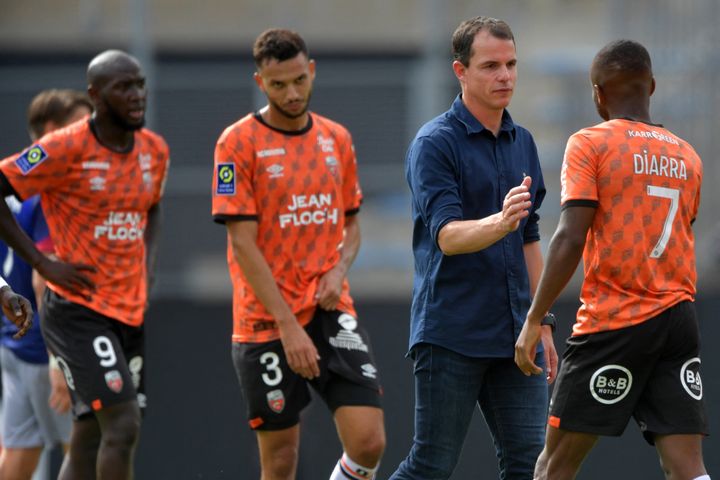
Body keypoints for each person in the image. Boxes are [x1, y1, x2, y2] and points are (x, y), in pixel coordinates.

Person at [514, 39, 709, 480]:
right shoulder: (688, 156)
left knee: (553, 467)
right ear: (652, 86)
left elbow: (570, 236)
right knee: (686, 467)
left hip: (615, 321)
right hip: (678, 319)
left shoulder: (590, 143)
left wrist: (534, 318)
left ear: (598, 94)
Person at [212, 28, 385, 480]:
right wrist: (288, 328)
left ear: (311, 72)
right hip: (267, 323)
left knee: (369, 442)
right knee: (282, 461)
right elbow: (242, 242)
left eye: (298, 81)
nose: (291, 93)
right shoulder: (237, 143)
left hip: (329, 307)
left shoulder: (336, 139)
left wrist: (339, 269)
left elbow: (351, 224)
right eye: (278, 85)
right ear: (260, 83)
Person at [389, 16, 557, 480]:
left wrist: (541, 320)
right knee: (430, 465)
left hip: (515, 337)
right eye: (490, 66)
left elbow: (529, 235)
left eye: (511, 64)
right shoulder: (434, 143)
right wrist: (501, 221)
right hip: (452, 333)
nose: (505, 76)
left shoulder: (522, 141)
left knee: (532, 465)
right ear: (460, 71)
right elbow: (448, 236)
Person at [0, 49, 170, 480]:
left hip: (127, 311)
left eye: (140, 84)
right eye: (123, 87)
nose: (136, 95)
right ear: (95, 95)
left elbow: (152, 208)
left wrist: (146, 266)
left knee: (89, 435)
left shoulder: (154, 150)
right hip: (77, 311)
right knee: (123, 424)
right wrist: (42, 262)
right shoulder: (62, 147)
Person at [0, 88, 92, 480]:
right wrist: (59, 359)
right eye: (83, 125)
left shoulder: (11, 188)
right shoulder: (46, 191)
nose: (91, 136)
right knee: (84, 450)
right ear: (54, 131)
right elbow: (45, 278)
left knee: (19, 454)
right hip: (46, 346)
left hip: (14, 343)